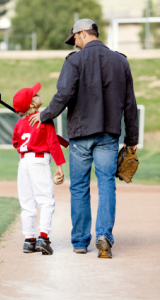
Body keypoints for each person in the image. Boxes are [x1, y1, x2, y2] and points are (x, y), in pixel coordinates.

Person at [29, 19, 139, 258]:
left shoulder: (74, 60)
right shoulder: (121, 61)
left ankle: (80, 242)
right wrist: (132, 140)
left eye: (75, 39)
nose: (75, 44)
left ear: (82, 34)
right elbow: (130, 104)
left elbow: (64, 94)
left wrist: (45, 115)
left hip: (80, 135)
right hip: (109, 134)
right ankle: (104, 236)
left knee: (79, 187)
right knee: (107, 184)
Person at [12, 82, 65, 255]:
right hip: (39, 161)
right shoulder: (44, 119)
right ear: (33, 104)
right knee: (46, 201)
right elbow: (52, 143)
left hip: (23, 163)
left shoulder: (20, 123)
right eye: (35, 94)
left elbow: (16, 143)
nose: (38, 94)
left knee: (27, 203)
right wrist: (59, 167)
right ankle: (43, 237)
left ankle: (29, 240)